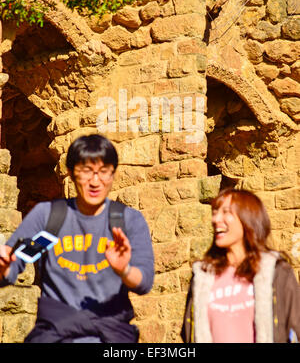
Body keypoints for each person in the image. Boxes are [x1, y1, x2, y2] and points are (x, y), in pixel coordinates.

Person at [0, 134, 154, 343]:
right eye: (86, 171)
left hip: (111, 337)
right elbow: (12, 266)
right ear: (71, 173)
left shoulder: (128, 220)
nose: (95, 181)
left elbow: (144, 282)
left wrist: (123, 270)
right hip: (56, 335)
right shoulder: (48, 217)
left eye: (103, 172)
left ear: (113, 174)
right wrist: (3, 266)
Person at [182, 188, 300, 343]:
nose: (216, 219)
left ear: (247, 218)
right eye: (215, 212)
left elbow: (296, 327)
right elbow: (189, 333)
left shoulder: (276, 272)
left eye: (226, 212)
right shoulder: (203, 277)